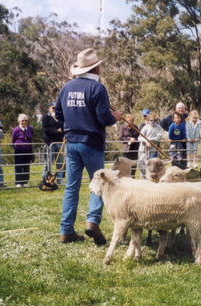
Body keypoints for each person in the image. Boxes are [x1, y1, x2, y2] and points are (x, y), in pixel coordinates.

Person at [55, 48, 122, 244]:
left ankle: (66, 230)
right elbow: (104, 118)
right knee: (98, 185)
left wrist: (71, 125)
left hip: (72, 143)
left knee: (71, 187)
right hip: (91, 143)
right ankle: (92, 222)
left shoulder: (66, 88)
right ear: (95, 69)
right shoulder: (98, 89)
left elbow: (58, 114)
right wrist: (115, 117)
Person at [42, 102, 65, 185]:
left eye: (56, 108)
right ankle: (45, 179)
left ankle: (59, 180)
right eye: (53, 108)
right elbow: (46, 130)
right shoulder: (45, 118)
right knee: (48, 163)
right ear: (49, 108)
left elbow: (64, 127)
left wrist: (56, 120)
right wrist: (56, 131)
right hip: (50, 143)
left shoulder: (61, 118)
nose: (54, 109)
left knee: (60, 163)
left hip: (60, 143)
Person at [138, 113, 163, 178]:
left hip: (153, 151)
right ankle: (144, 176)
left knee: (152, 166)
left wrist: (149, 140)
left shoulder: (158, 128)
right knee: (141, 163)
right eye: (151, 120)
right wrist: (146, 142)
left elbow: (158, 138)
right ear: (148, 120)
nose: (152, 122)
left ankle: (151, 179)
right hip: (144, 150)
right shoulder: (145, 127)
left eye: (154, 120)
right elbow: (140, 137)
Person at [12, 114, 33, 187]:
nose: (24, 122)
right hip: (19, 150)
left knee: (26, 166)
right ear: (19, 121)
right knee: (19, 166)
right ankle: (18, 182)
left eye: (26, 120)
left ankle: (25, 182)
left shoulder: (30, 128)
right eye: (22, 121)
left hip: (28, 150)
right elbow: (13, 141)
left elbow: (31, 139)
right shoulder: (16, 130)